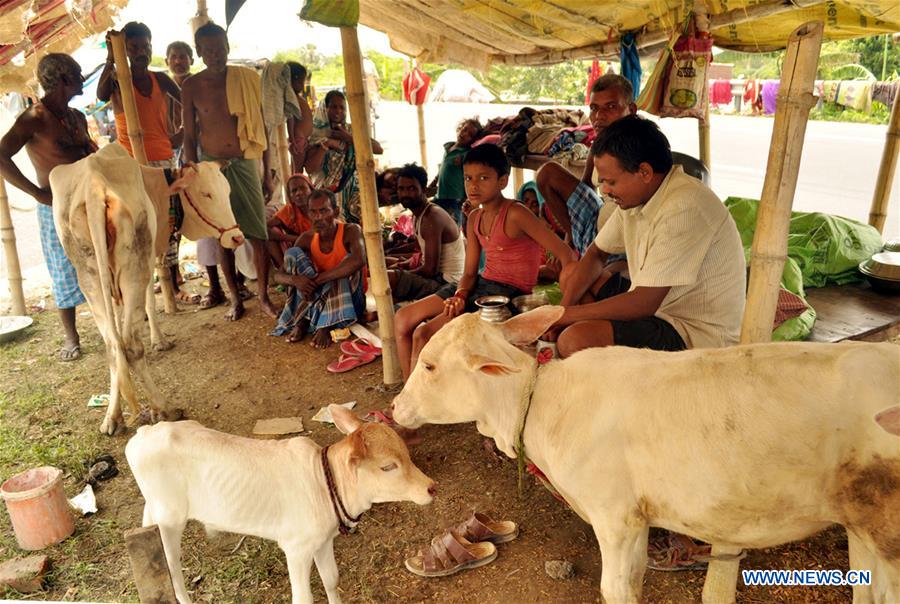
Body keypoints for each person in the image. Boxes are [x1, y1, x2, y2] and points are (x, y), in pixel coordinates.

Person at [548, 115, 746, 357]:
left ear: (644, 172)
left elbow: (643, 302)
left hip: (692, 332)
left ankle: (599, 347)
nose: (605, 191)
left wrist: (563, 317)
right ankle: (600, 339)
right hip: (656, 308)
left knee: (574, 341)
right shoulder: (636, 198)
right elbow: (597, 253)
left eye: (610, 182)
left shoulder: (686, 206)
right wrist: (564, 308)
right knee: (571, 276)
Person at [395, 144, 577, 380]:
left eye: (483, 178)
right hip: (478, 284)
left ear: (503, 181)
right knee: (403, 318)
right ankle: (407, 394)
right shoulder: (474, 218)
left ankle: (412, 404)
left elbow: (566, 254)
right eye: (468, 178)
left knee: (423, 333)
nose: (473, 185)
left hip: (504, 293)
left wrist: (565, 305)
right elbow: (469, 273)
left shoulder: (516, 213)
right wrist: (459, 295)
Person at [0, 54, 95, 361]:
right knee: (62, 267)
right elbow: (1, 155)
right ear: (64, 79)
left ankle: (109, 316)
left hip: (88, 199)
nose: (83, 78)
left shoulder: (77, 117)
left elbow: (89, 152)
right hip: (55, 203)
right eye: (78, 73)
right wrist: (37, 194)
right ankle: (71, 336)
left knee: (99, 258)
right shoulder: (34, 118)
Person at [181, 22, 278, 321]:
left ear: (228, 46)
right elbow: (189, 135)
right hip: (211, 167)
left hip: (246, 161)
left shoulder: (247, 78)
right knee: (222, 235)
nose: (215, 54)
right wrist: (191, 171)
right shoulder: (191, 86)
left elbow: (263, 128)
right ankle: (235, 297)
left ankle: (262, 296)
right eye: (208, 50)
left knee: (257, 233)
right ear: (199, 52)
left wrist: (267, 171)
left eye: (219, 47)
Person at [97, 23, 197, 303]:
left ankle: (174, 283)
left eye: (145, 46)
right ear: (124, 51)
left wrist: (181, 134)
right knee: (135, 223)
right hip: (131, 164)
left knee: (169, 221)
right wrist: (110, 58)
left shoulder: (160, 80)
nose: (141, 52)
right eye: (134, 48)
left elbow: (188, 105)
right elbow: (101, 95)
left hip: (163, 159)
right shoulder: (117, 81)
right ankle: (140, 284)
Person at [535, 74, 636, 255]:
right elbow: (586, 185)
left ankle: (592, 256)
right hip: (600, 221)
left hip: (630, 230)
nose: (599, 116)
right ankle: (576, 242)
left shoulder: (643, 143)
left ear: (632, 109)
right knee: (546, 173)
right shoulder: (599, 143)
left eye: (611, 107)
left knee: (584, 279)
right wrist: (570, 234)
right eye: (594, 108)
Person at [271, 189, 366, 349]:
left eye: (323, 211)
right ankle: (304, 320)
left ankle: (324, 325)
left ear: (335, 212)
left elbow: (359, 260)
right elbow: (277, 275)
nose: (318, 217)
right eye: (313, 212)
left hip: (349, 299)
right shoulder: (307, 238)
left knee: (345, 265)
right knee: (292, 254)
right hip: (320, 295)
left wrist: (320, 279)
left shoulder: (351, 231)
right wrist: (296, 280)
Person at [387, 164, 465, 302]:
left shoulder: (432, 217)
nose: (405, 194)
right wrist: (391, 251)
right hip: (436, 277)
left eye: (411, 189)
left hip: (447, 285)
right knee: (387, 264)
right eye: (401, 189)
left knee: (388, 277)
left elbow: (430, 270)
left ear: (424, 189)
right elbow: (418, 245)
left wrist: (402, 273)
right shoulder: (418, 214)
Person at [305, 89, 383, 224]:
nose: (338, 111)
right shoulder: (317, 134)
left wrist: (349, 138)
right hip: (329, 194)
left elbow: (378, 149)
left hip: (353, 191)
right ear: (325, 108)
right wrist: (326, 144)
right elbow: (310, 168)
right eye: (334, 107)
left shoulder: (352, 130)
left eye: (342, 107)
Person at [426, 117, 481, 226]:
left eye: (469, 134)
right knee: (430, 221)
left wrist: (467, 198)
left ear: (473, 140)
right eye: (464, 129)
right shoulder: (449, 147)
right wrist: (432, 183)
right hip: (439, 196)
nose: (464, 134)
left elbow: (470, 177)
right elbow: (442, 169)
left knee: (452, 229)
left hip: (455, 200)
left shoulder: (466, 154)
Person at [519, 181, 566, 283]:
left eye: (535, 204)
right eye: (525, 201)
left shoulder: (549, 232)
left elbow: (554, 268)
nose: (528, 208)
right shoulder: (513, 229)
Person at [266, 173, 313, 269]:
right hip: (299, 249)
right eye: (294, 191)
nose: (298, 193)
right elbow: (265, 228)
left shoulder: (320, 206)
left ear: (311, 190)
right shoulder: (290, 210)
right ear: (290, 197)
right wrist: (295, 239)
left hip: (321, 247)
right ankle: (285, 268)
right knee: (270, 233)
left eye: (303, 188)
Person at [285, 62, 313, 174]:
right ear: (293, 80)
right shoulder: (291, 98)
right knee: (297, 171)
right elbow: (290, 117)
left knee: (296, 169)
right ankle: (295, 190)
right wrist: (292, 139)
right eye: (301, 81)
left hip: (302, 138)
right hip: (298, 139)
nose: (303, 85)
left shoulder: (296, 97)